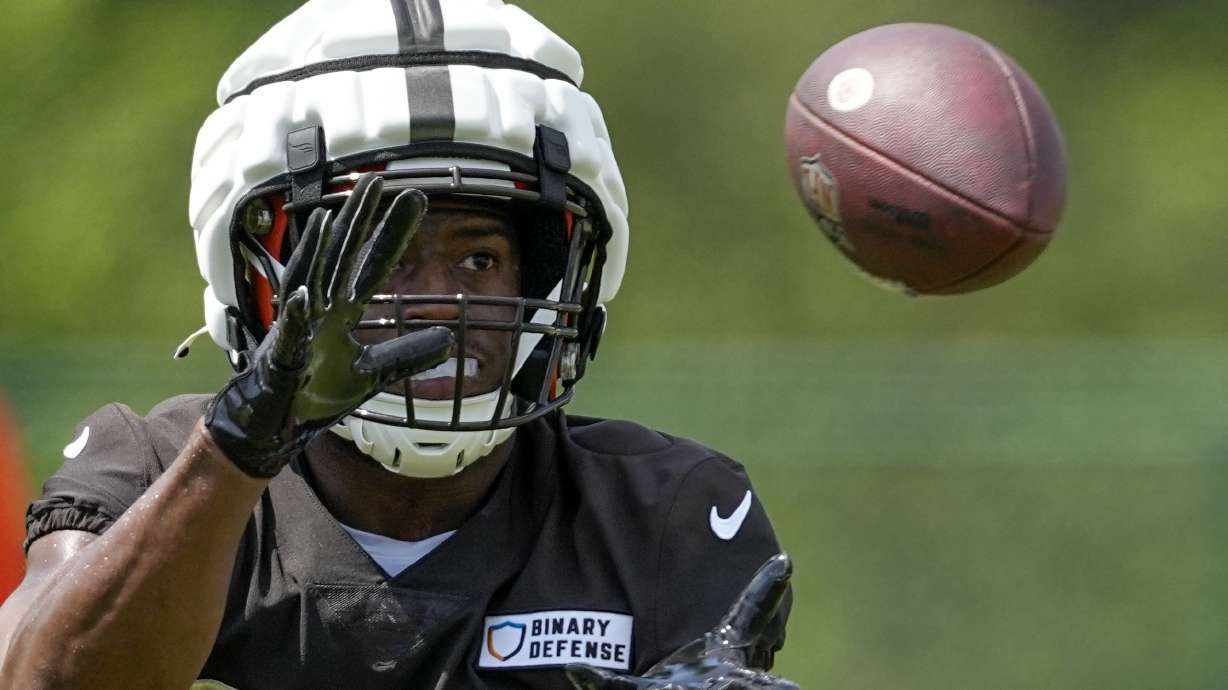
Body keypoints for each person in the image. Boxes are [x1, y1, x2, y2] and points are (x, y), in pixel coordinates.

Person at [0, 1, 795, 687]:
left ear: (553, 275)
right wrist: (232, 457)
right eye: (380, 257)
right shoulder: (153, 470)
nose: (439, 302)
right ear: (265, 281)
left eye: (478, 258)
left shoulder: (662, 514)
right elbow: (40, 677)